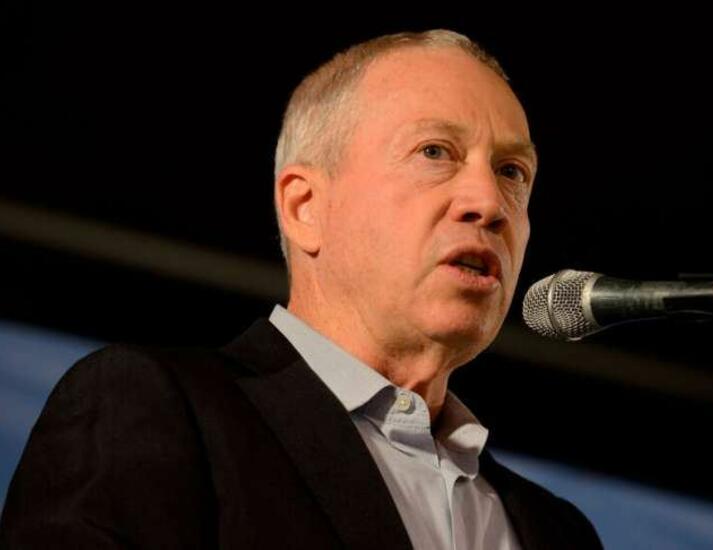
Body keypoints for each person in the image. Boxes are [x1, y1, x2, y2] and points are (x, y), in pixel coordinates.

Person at [0, 30, 602, 549]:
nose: (489, 203)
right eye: (434, 152)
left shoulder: (558, 533)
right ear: (304, 206)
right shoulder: (155, 410)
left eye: (512, 172)